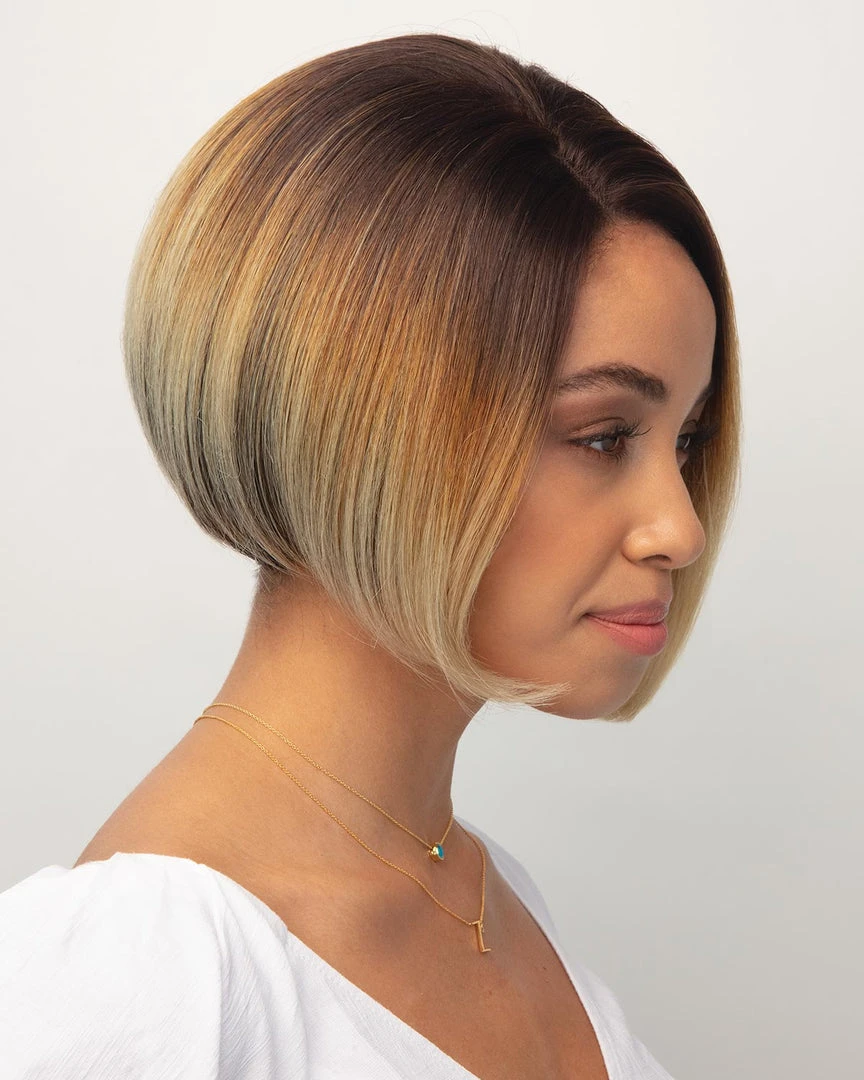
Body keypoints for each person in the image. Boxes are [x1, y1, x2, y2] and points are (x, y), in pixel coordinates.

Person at [0, 30, 741, 1080]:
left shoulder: (486, 895)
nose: (680, 527)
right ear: (365, 427)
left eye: (687, 439)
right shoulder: (133, 985)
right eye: (603, 436)